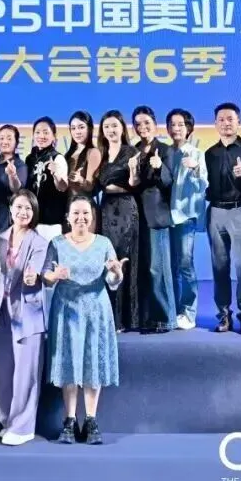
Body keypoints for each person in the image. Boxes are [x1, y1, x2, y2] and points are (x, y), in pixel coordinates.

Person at [44, 195, 124, 446]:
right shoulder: (57, 243)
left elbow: (112, 281)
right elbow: (46, 276)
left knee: (92, 361)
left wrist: (117, 273)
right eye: (76, 213)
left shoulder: (104, 243)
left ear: (92, 217)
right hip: (66, 309)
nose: (81, 218)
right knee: (68, 362)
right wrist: (54, 276)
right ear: (68, 217)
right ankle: (69, 420)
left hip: (96, 309)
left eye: (85, 213)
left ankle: (90, 420)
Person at [0, 190, 48, 446]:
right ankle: (7, 421)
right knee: (4, 371)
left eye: (28, 208)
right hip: (1, 311)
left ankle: (23, 426)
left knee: (26, 372)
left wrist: (31, 275)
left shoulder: (39, 242)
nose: (23, 212)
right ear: (11, 209)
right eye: (19, 207)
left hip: (28, 312)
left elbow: (35, 269)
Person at [203, 102, 241, 336]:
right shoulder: (209, 154)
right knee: (219, 267)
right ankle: (223, 315)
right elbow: (205, 184)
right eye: (221, 119)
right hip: (216, 212)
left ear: (239, 122)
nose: (226, 123)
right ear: (216, 123)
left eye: (230, 119)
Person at [131, 106, 175, 334]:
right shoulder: (134, 150)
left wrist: (160, 168)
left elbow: (169, 182)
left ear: (155, 124)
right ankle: (147, 317)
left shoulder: (165, 150)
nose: (142, 127)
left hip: (156, 215)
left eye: (146, 122)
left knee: (158, 269)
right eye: (138, 124)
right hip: (136, 215)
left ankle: (165, 318)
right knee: (143, 269)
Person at [96, 110, 139, 332]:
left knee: (124, 258)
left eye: (114, 125)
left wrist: (132, 173)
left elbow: (135, 183)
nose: (111, 130)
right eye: (106, 127)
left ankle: (125, 319)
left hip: (125, 209)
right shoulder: (101, 154)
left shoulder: (131, 152)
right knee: (108, 260)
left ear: (122, 128)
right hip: (105, 210)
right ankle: (109, 316)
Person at [165, 108, 208, 330]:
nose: (176, 129)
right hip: (165, 217)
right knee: (169, 266)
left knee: (185, 264)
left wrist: (196, 168)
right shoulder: (164, 152)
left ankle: (188, 312)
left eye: (180, 124)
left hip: (185, 217)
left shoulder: (196, 154)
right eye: (172, 124)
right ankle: (172, 310)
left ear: (189, 128)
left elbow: (204, 185)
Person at [25, 116, 68, 239]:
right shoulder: (29, 159)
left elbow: (63, 187)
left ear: (54, 136)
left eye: (46, 132)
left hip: (50, 223)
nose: (41, 136)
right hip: (30, 219)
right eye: (38, 132)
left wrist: (56, 174)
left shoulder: (58, 158)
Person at [65, 111, 101, 204]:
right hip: (67, 205)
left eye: (81, 127)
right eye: (73, 128)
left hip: (84, 206)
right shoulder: (68, 155)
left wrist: (80, 179)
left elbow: (90, 186)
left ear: (89, 128)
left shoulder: (93, 152)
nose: (77, 132)